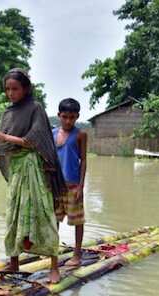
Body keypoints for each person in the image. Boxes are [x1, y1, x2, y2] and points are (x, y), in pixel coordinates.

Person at [0, 68, 66, 283]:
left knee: (43, 213)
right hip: (16, 171)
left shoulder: (36, 108)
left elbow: (34, 139)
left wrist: (6, 136)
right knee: (13, 214)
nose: (10, 93)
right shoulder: (7, 113)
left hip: (33, 169)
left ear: (25, 89)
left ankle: (54, 266)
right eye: (7, 89)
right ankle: (14, 262)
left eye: (15, 88)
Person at [53, 98, 88, 267]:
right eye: (65, 117)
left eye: (72, 117)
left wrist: (81, 186)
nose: (68, 121)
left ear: (77, 117)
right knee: (54, 221)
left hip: (73, 185)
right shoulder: (52, 134)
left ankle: (77, 254)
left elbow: (84, 161)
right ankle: (52, 253)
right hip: (55, 186)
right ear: (59, 115)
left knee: (77, 221)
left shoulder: (80, 135)